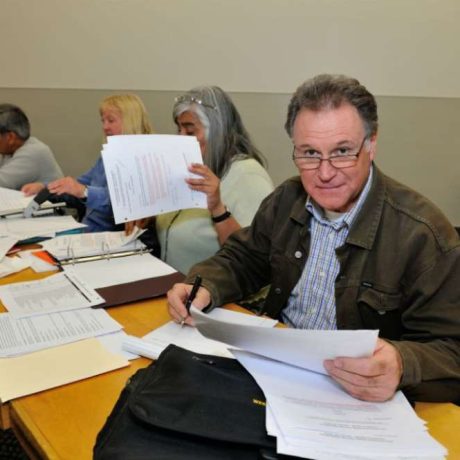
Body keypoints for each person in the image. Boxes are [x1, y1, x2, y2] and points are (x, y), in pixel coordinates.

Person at [167, 74, 460, 404]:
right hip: (277, 373)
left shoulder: (423, 235)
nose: (324, 172)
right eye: (309, 153)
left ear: (371, 144)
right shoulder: (287, 199)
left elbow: (451, 349)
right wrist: (203, 285)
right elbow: (243, 257)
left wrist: (402, 364)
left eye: (342, 151)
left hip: (357, 398)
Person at [127, 86, 274, 274]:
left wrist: (218, 209)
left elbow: (254, 259)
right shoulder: (194, 166)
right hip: (179, 290)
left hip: (222, 298)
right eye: (179, 130)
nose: (180, 139)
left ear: (217, 133)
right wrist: (151, 213)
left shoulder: (248, 175)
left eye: (189, 132)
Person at [22, 94, 153, 232]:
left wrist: (83, 191)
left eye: (111, 120)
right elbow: (77, 185)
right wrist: (45, 188)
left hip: (110, 237)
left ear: (130, 121)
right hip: (88, 231)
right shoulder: (108, 155)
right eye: (103, 121)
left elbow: (123, 202)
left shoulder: (143, 159)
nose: (105, 127)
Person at [0, 104, 63, 190]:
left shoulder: (33, 153)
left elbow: (2, 183)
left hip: (52, 202)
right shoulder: (9, 149)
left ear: (10, 137)